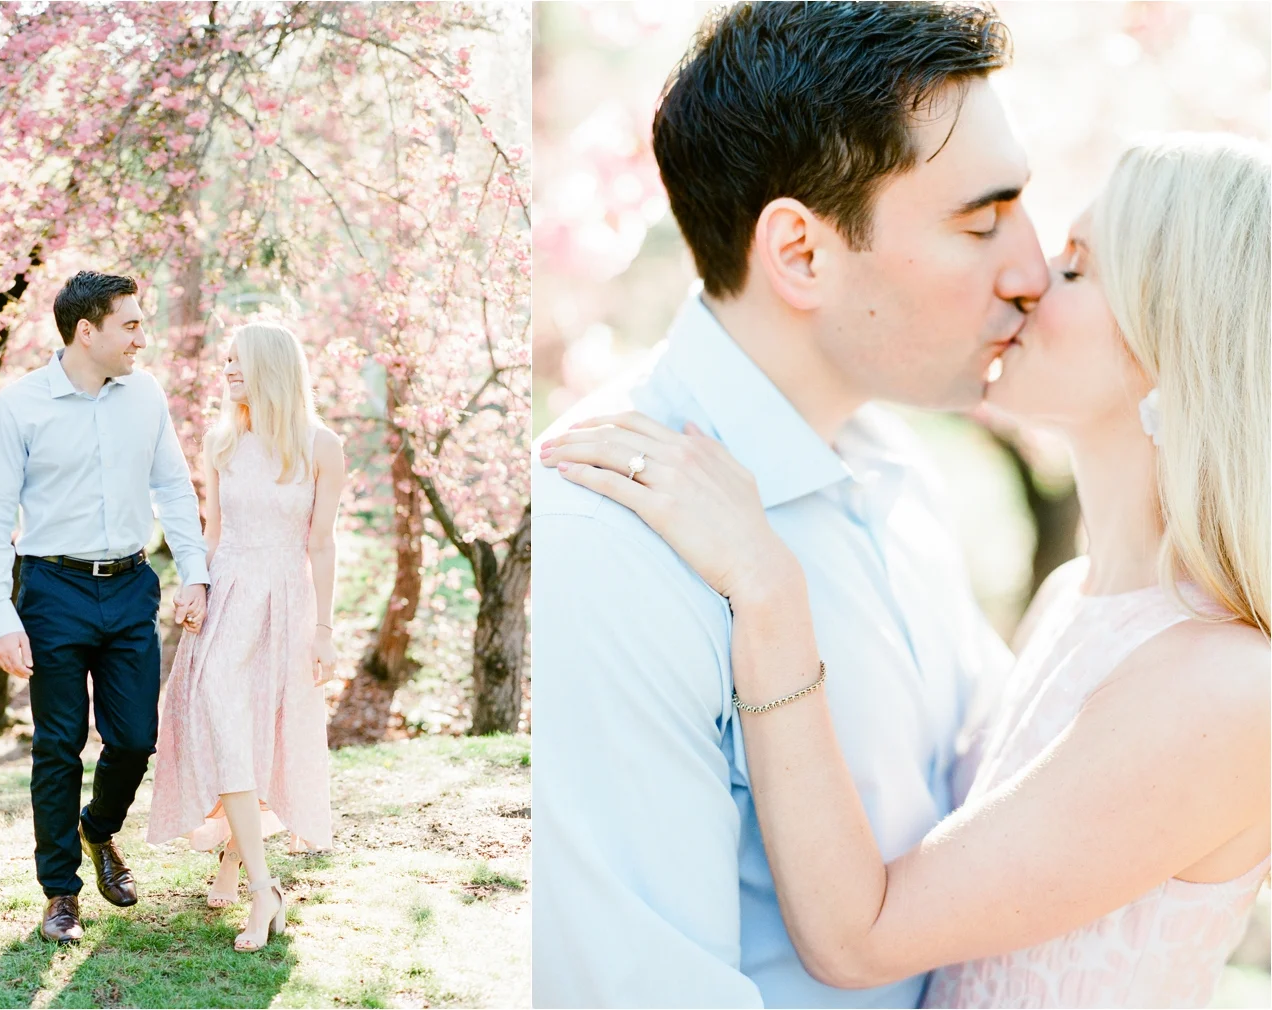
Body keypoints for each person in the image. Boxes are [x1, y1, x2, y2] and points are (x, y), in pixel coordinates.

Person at [544, 132, 1271, 1010]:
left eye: (1077, 269)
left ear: (1177, 343)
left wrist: (768, 591)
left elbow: (860, 936)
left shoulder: (1230, 688)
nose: (1031, 279)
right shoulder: (1068, 600)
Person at [531, 3, 1049, 1006]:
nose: (1028, 270)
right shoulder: (606, 540)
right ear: (801, 254)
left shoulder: (893, 471)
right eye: (980, 222)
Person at [0, 271, 210, 944]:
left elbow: (173, 485)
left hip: (132, 584)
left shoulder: (145, 395)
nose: (143, 336)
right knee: (58, 747)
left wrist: (196, 573)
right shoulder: (22, 405)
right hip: (52, 591)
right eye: (130, 324)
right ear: (87, 331)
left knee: (136, 737)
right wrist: (0, 611)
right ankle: (61, 894)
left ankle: (98, 829)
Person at [147, 321, 343, 953]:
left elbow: (321, 541)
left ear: (271, 367)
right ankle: (265, 888)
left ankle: (240, 862)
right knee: (218, 712)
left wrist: (324, 630)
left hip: (285, 596)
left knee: (263, 724)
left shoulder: (320, 446)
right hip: (228, 591)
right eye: (224, 360)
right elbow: (212, 529)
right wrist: (194, 584)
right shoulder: (221, 442)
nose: (225, 370)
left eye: (236, 361)